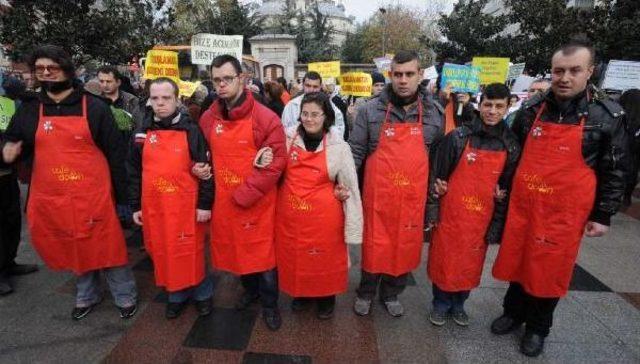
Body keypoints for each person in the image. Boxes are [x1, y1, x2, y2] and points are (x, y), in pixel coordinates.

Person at [491, 39, 629, 357]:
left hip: (563, 215)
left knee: (548, 270)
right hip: (525, 206)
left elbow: (616, 168)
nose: (564, 77)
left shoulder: (606, 115)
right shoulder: (531, 110)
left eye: (574, 70)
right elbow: (512, 153)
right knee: (518, 262)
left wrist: (603, 214)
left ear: (590, 72)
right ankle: (513, 313)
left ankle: (538, 328)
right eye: (558, 71)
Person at [1, 45, 138, 320]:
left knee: (106, 244)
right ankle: (87, 294)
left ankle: (125, 295)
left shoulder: (95, 107)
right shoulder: (30, 108)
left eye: (52, 67)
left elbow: (116, 155)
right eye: (40, 69)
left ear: (67, 70)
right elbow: (15, 140)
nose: (46, 73)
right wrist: (8, 149)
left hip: (94, 194)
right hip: (55, 196)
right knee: (75, 245)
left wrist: (125, 200)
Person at [349, 50, 444, 317]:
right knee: (374, 245)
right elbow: (355, 151)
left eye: (409, 74)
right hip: (377, 196)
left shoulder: (434, 114)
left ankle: (391, 293)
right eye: (397, 74)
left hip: (411, 199)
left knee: (403, 246)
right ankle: (366, 292)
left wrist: (433, 200)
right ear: (390, 74)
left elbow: (437, 158)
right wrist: (344, 183)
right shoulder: (369, 110)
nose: (403, 80)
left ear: (420, 75)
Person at [198, 55, 287, 331]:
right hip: (224, 203)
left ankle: (270, 304)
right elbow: (203, 155)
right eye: (217, 80)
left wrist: (244, 195)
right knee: (238, 253)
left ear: (242, 79)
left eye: (227, 78)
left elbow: (274, 165)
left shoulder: (265, 118)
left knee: (264, 257)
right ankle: (251, 291)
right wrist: (199, 169)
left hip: (257, 203)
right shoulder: (208, 118)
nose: (222, 85)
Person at [426, 83, 520, 327]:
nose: (492, 111)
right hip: (451, 215)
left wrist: (497, 224)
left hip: (481, 220)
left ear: (508, 107)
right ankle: (440, 304)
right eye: (488, 105)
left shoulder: (510, 144)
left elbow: (506, 188)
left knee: (470, 264)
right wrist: (434, 211)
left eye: (499, 106)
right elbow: (437, 177)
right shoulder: (458, 137)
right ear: (480, 105)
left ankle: (459, 304)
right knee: (444, 260)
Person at [128, 77, 213, 319]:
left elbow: (206, 170)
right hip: (155, 207)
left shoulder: (192, 130)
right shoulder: (142, 133)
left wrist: (205, 205)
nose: (160, 103)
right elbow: (133, 170)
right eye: (155, 98)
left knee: (191, 251)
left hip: (186, 207)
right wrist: (135, 205)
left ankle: (202, 294)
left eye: (166, 98)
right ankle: (176, 294)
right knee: (163, 251)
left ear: (177, 100)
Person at [275, 92, 362, 319]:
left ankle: (326, 298)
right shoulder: (285, 139)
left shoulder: (339, 147)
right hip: (292, 217)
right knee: (298, 258)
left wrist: (353, 229)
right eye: (305, 114)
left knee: (324, 259)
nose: (309, 119)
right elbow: (272, 172)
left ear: (326, 117)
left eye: (315, 114)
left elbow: (350, 188)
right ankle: (301, 294)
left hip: (325, 220)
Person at [0, 77, 38, 296]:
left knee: (12, 221)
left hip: (7, 174)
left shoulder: (7, 104)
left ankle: (9, 263)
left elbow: (13, 133)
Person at [281, 72, 346, 139]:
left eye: (315, 87)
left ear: (320, 87)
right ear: (303, 85)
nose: (311, 90)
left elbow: (339, 129)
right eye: (308, 86)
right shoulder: (291, 106)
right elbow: (284, 129)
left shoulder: (330, 105)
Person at [619, 89, 640, 206]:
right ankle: (626, 197)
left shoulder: (617, 117)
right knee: (632, 173)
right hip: (633, 158)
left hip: (619, 154)